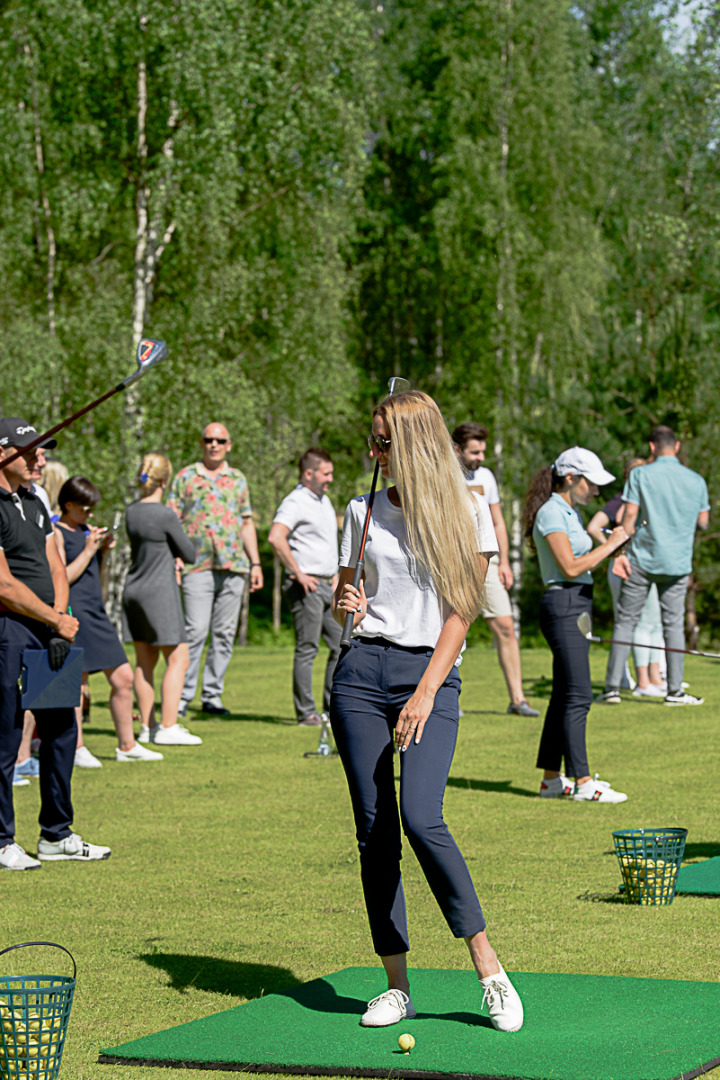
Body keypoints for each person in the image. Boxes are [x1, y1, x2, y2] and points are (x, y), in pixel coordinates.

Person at [330, 390, 523, 1034]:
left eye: (385, 442)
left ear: (415, 444)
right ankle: (396, 983)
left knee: (421, 815)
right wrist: (346, 601)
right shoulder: (359, 508)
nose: (374, 452)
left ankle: (489, 968)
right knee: (373, 826)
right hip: (360, 672)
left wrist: (425, 692)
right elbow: (344, 593)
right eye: (372, 440)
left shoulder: (464, 510)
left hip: (428, 673)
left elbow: (462, 612)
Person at [0, 416, 111, 869]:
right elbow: (4, 585)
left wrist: (61, 618)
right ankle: (3, 840)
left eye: (38, 451)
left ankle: (55, 834)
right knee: (6, 736)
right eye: (27, 451)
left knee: (62, 730)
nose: (36, 458)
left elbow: (56, 565)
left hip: (51, 628)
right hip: (10, 628)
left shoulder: (36, 501)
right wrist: (51, 619)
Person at [522, 447, 629, 803]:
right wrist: (611, 543)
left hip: (575, 604)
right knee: (580, 695)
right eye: (592, 484)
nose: (596, 491)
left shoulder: (567, 511)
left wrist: (611, 549)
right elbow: (569, 567)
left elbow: (580, 561)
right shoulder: (553, 512)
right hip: (564, 603)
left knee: (564, 694)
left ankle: (552, 780)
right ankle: (583, 783)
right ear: (572, 479)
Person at [55, 475, 163, 763]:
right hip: (72, 611)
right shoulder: (55, 533)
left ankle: (126, 745)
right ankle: (75, 748)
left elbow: (94, 575)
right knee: (76, 682)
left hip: (95, 610)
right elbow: (61, 577)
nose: (89, 515)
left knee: (124, 678)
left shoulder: (86, 530)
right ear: (68, 505)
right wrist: (89, 549)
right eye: (84, 508)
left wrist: (101, 551)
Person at [600, 426, 709, 707]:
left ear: (651, 447)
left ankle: (612, 688)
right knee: (673, 625)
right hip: (677, 562)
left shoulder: (640, 474)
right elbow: (703, 521)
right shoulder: (696, 480)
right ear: (677, 445)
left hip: (642, 560)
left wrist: (619, 551)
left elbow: (630, 515)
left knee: (626, 621)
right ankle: (674, 691)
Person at [167, 422, 263, 717]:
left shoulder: (237, 479)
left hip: (234, 564)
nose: (214, 445)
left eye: (220, 440)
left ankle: (212, 696)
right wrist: (175, 557)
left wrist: (256, 562)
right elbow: (171, 519)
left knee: (223, 633)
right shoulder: (186, 476)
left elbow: (247, 522)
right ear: (202, 443)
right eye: (209, 439)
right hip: (197, 564)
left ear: (228, 445)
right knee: (195, 631)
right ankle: (180, 698)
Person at [452, 423, 538, 718]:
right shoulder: (443, 473)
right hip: (452, 563)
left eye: (483, 451)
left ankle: (518, 699)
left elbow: (498, 521)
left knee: (505, 626)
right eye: (475, 451)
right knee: (447, 628)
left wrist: (503, 563)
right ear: (458, 449)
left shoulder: (486, 477)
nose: (481, 457)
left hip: (487, 562)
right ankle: (448, 700)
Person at [123, 454, 201, 746]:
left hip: (133, 590)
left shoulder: (131, 511)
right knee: (179, 657)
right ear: (165, 481)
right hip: (159, 591)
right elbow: (189, 553)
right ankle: (168, 725)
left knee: (145, 660)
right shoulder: (165, 514)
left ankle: (147, 725)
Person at [268, 448, 342, 726]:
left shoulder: (322, 500)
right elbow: (276, 537)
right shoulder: (296, 501)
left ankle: (333, 708)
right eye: (326, 473)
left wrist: (336, 574)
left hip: (327, 585)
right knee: (308, 648)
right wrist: (297, 573)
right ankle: (306, 713)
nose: (330, 479)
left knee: (340, 646)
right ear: (308, 473)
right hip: (306, 586)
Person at [587, 458, 666, 698]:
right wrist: (614, 549)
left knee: (654, 621)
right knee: (636, 622)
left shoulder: (647, 500)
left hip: (645, 565)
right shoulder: (622, 501)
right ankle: (642, 681)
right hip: (626, 567)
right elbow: (594, 526)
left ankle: (655, 677)